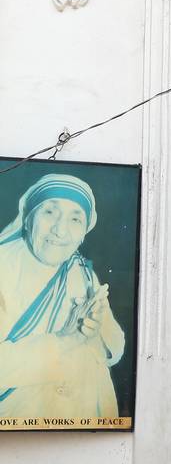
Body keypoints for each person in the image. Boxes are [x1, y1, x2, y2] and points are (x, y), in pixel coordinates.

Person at [0, 172, 124, 420]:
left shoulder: (82, 270)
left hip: (87, 418)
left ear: (84, 231)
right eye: (49, 212)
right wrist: (64, 341)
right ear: (27, 219)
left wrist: (94, 333)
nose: (59, 230)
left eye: (75, 218)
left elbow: (116, 345)